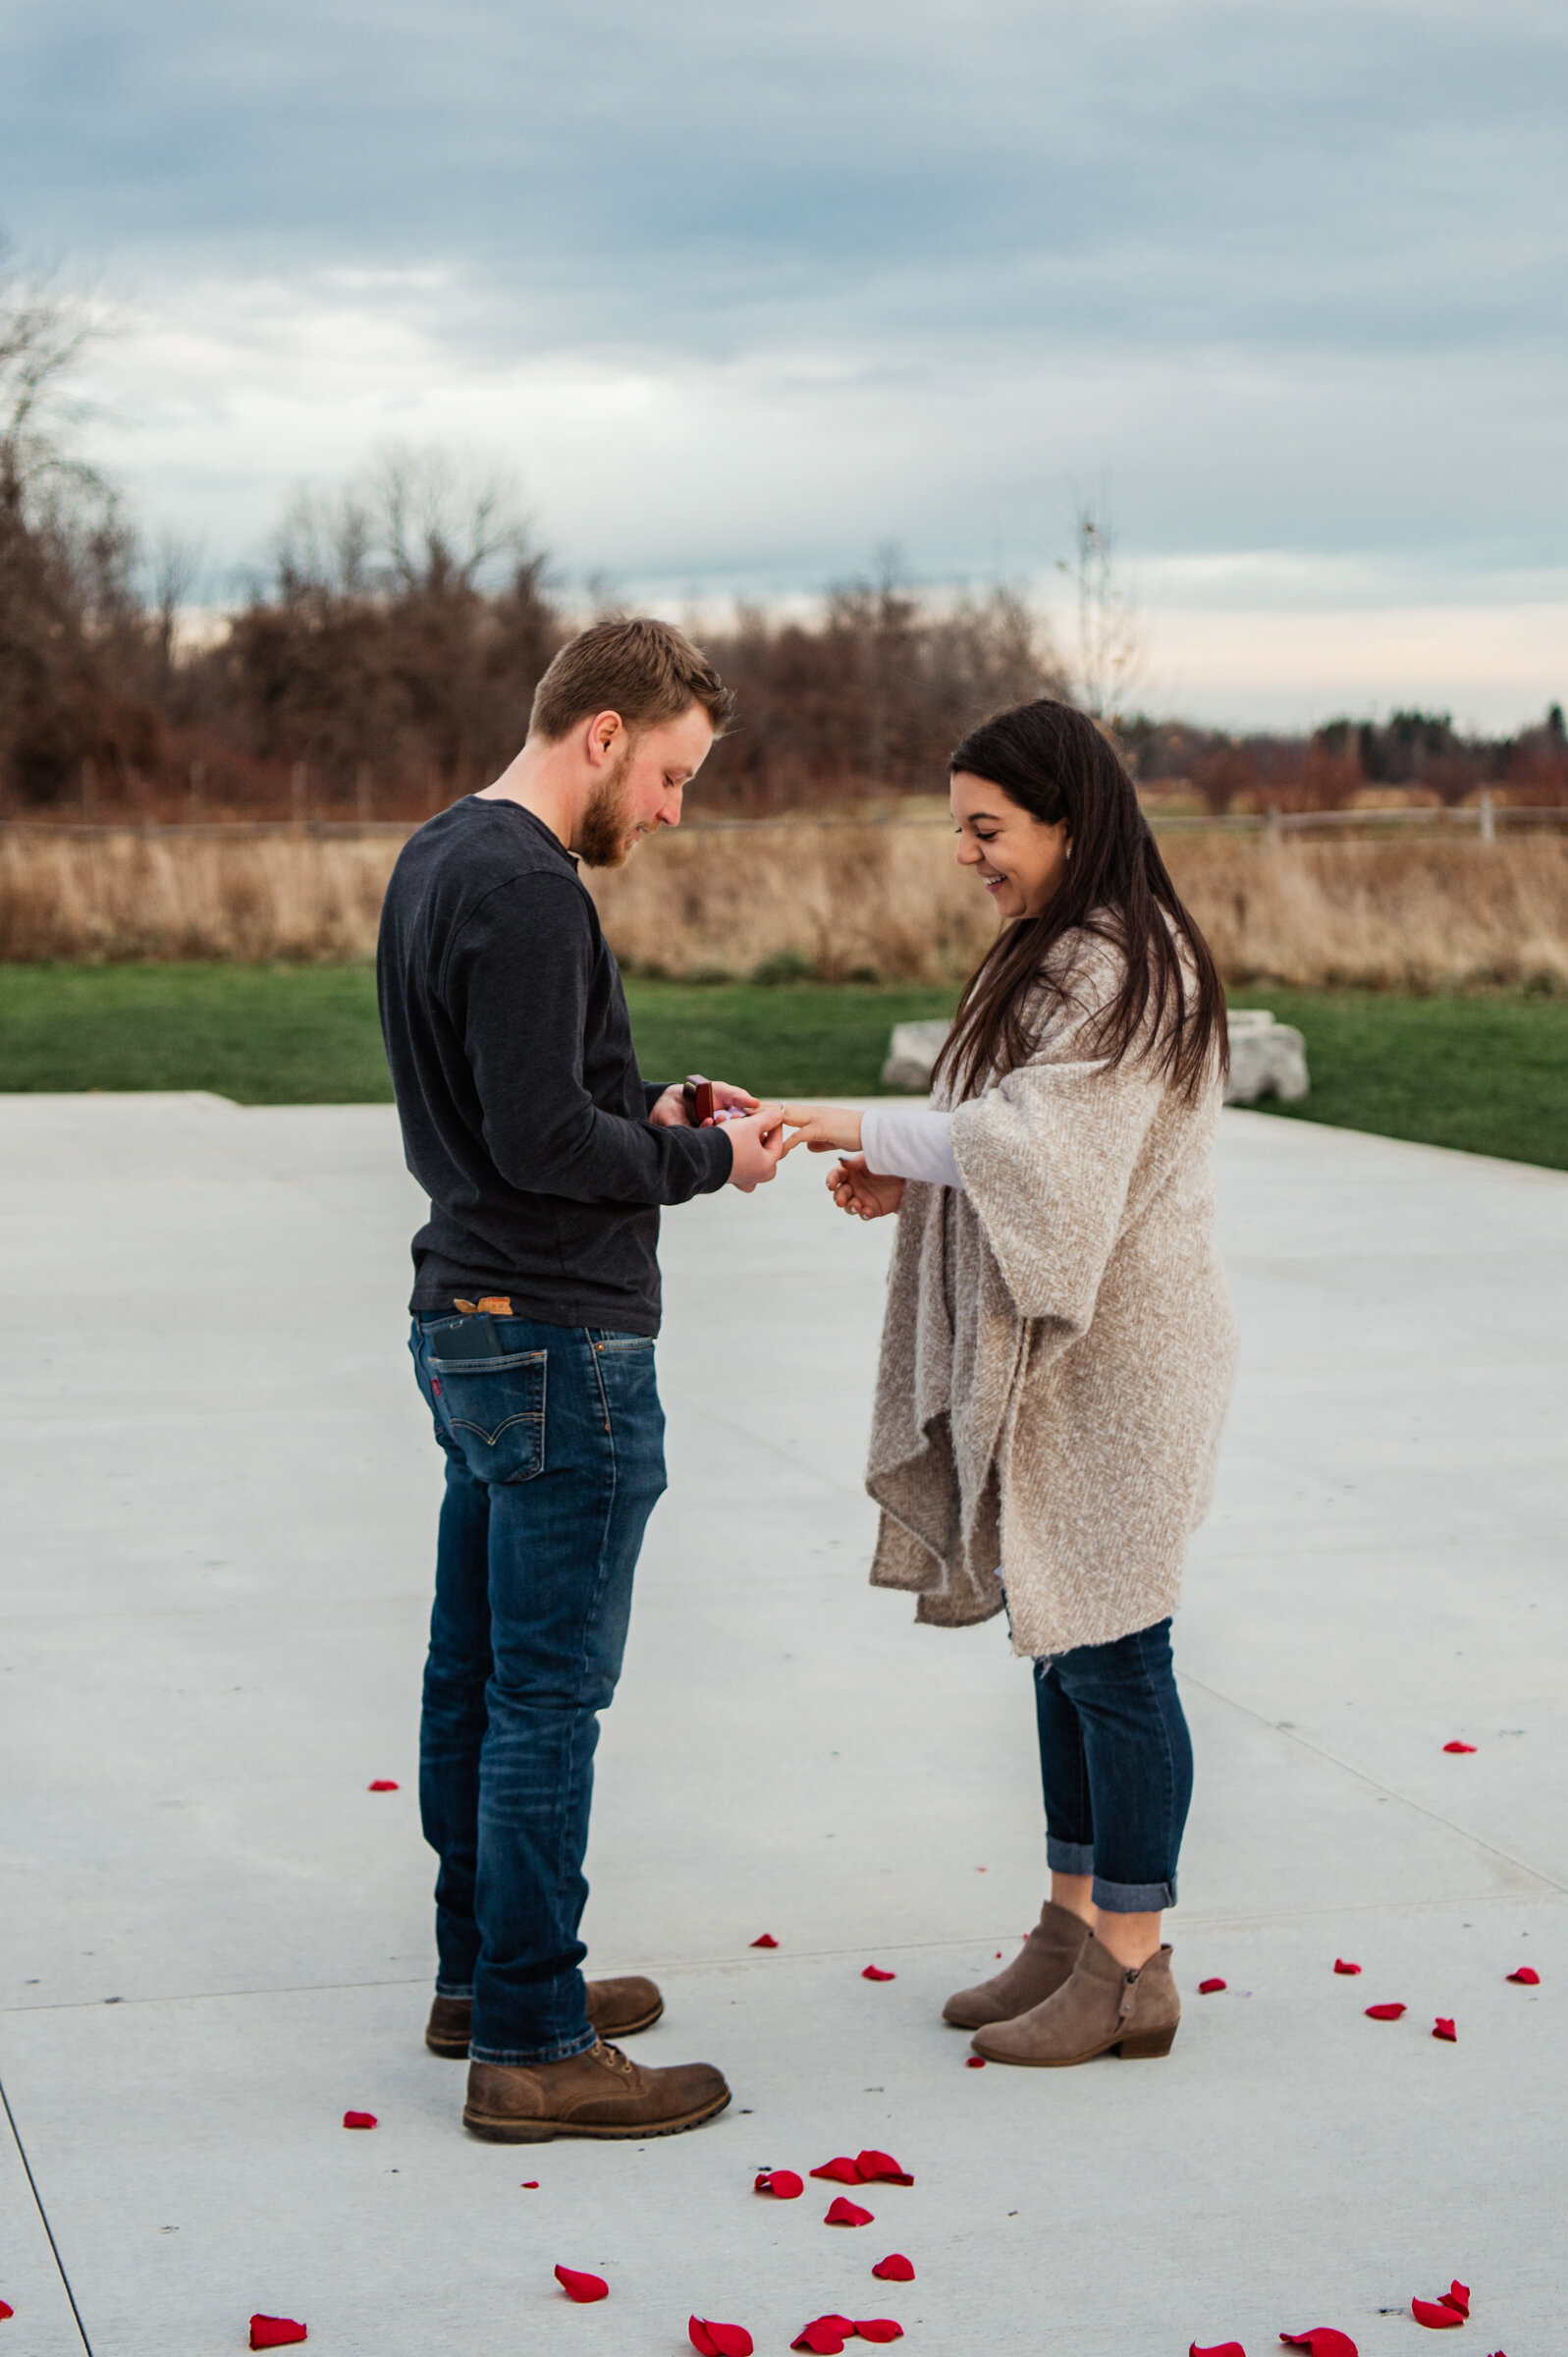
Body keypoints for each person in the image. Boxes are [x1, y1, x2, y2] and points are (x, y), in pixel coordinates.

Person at [782, 697, 1237, 2068]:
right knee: (1058, 1639)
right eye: (960, 829)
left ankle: (1133, 1966)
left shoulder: (1121, 963)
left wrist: (854, 1122)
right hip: (1066, 1354)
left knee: (1115, 1653)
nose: (967, 854)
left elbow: (1043, 1146)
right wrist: (908, 1174)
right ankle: (1065, 1925)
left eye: (987, 829)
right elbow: (997, 1139)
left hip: (1119, 1360)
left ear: (1064, 819)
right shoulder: (1057, 951)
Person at [377, 618, 785, 2142]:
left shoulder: (439, 856)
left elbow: (525, 1103)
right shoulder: (531, 890)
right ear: (602, 735)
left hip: (468, 1318)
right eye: (672, 775)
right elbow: (551, 1146)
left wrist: (658, 1101)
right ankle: (534, 2041)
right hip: (558, 1337)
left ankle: (485, 1981)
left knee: (473, 1674)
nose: (675, 810)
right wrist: (708, 1158)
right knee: (547, 1697)